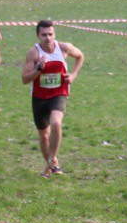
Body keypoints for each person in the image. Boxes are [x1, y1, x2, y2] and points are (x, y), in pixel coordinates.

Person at [21, 20, 84, 177]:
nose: (48, 38)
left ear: (54, 34)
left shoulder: (64, 48)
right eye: (44, 35)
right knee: (44, 135)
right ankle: (50, 164)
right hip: (39, 96)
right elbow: (25, 79)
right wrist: (38, 69)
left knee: (56, 122)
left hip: (58, 93)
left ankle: (52, 161)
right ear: (38, 36)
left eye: (50, 34)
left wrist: (73, 75)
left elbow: (80, 56)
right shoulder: (33, 53)